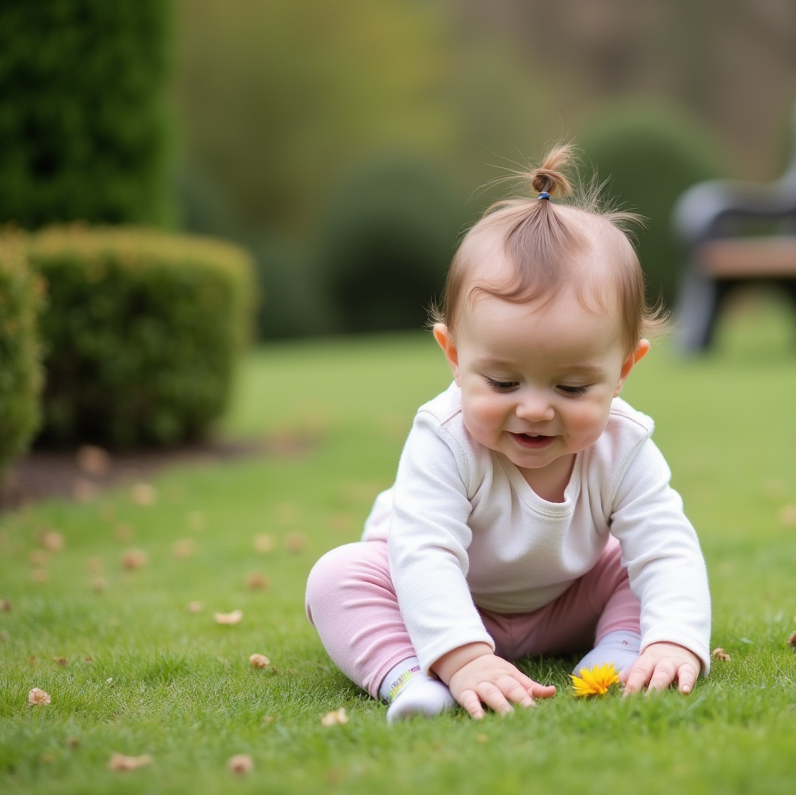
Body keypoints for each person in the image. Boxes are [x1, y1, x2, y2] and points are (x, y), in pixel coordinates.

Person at [305, 144, 711, 722]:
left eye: (571, 389)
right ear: (453, 356)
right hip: (439, 598)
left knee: (627, 565)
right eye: (502, 382)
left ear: (623, 371)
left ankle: (619, 653)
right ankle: (412, 676)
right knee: (337, 578)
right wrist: (465, 656)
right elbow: (425, 555)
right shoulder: (445, 440)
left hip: (562, 601)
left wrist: (673, 637)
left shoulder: (624, 446)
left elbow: (667, 548)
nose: (536, 410)